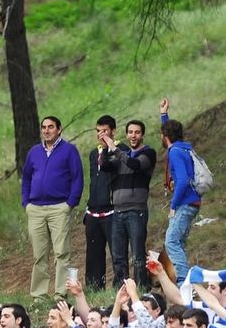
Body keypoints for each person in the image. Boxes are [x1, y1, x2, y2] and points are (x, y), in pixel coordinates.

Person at [21, 116, 83, 298]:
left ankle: (60, 294)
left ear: (59, 129)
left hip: (59, 208)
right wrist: (26, 203)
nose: (47, 131)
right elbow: (26, 178)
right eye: (44, 128)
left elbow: (77, 178)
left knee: (62, 253)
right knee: (39, 255)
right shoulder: (34, 152)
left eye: (51, 127)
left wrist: (70, 203)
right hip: (36, 209)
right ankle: (39, 295)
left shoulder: (69, 151)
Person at [102, 119, 157, 288]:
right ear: (126, 134)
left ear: (142, 135)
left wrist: (114, 149)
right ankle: (122, 288)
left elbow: (134, 165)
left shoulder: (148, 153)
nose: (133, 136)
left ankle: (141, 288)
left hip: (136, 211)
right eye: (130, 132)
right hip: (118, 211)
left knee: (138, 255)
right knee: (118, 255)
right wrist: (105, 147)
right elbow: (104, 166)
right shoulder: (120, 156)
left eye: (137, 132)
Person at [161, 109, 201, 284]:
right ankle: (183, 281)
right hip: (192, 202)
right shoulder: (182, 148)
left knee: (171, 241)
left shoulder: (175, 152)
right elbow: (170, 132)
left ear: (165, 136)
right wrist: (164, 115)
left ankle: (184, 283)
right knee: (179, 242)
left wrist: (173, 205)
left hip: (184, 203)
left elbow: (183, 180)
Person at [84, 115, 117, 289]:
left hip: (111, 210)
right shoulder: (92, 153)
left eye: (104, 131)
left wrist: (109, 148)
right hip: (93, 211)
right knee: (93, 253)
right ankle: (94, 288)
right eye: (98, 131)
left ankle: (121, 286)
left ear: (113, 131)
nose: (100, 135)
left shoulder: (120, 150)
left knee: (116, 252)